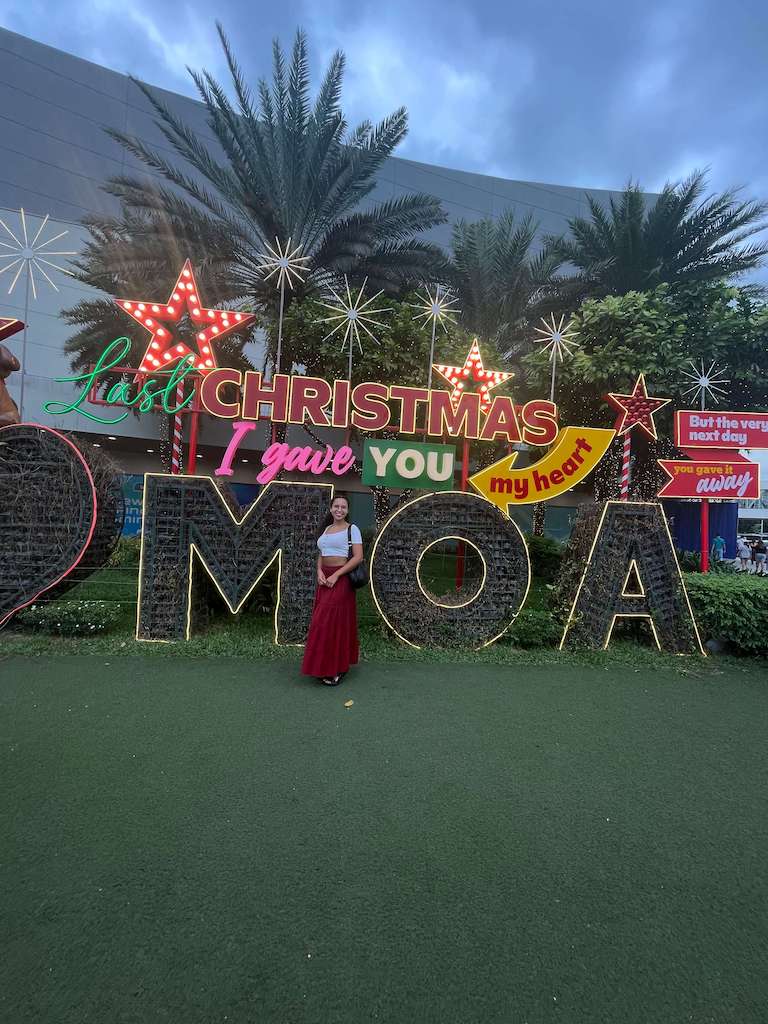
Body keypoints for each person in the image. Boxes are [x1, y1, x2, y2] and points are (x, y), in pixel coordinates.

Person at [301, 494, 363, 685]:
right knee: (322, 623)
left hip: (341, 579)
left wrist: (337, 575)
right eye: (336, 506)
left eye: (343, 507)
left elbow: (358, 557)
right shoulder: (326, 529)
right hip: (324, 579)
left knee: (331, 623)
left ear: (347, 510)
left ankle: (337, 668)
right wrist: (318, 570)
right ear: (330, 508)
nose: (339, 509)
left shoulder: (352, 529)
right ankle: (322, 667)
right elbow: (322, 553)